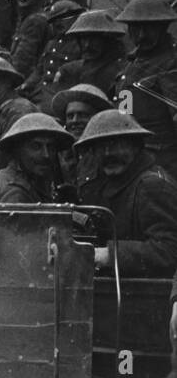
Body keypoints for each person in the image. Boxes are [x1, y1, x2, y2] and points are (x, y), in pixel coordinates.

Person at [77, 110, 177, 276]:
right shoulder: (111, 182)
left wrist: (109, 254)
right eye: (101, 147)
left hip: (150, 295)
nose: (108, 153)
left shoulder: (152, 185)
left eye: (116, 144)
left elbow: (169, 250)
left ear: (136, 145)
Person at [114, 0, 177, 179]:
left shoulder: (171, 64)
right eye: (135, 28)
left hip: (163, 162)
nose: (141, 35)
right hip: (130, 154)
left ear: (163, 27)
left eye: (149, 28)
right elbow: (125, 109)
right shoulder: (132, 63)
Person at [0, 113, 71, 203]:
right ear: (17, 151)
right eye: (36, 147)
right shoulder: (15, 195)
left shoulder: (21, 179)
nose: (46, 155)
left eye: (51, 147)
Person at [51, 10, 127, 100]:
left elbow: (126, 111)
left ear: (108, 40)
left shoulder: (123, 71)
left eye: (94, 39)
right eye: (83, 38)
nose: (87, 45)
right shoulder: (69, 70)